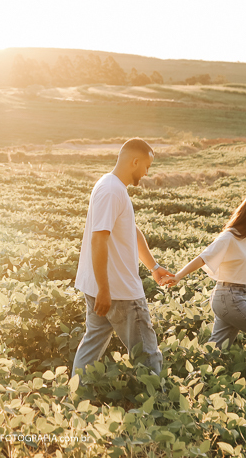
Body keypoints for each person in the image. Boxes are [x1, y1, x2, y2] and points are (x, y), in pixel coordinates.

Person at [72, 138, 173, 375]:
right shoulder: (111, 191)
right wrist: (105, 289)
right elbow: (99, 240)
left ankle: (75, 398)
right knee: (147, 355)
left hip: (104, 288)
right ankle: (158, 405)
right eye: (146, 167)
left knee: (91, 347)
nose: (147, 173)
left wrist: (153, 267)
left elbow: (131, 231)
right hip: (119, 292)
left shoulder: (111, 186)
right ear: (135, 161)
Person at [162, 193, 246, 348]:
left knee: (217, 350)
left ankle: (198, 372)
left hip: (232, 298)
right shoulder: (228, 237)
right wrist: (178, 276)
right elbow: (203, 257)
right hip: (230, 298)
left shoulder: (245, 237)